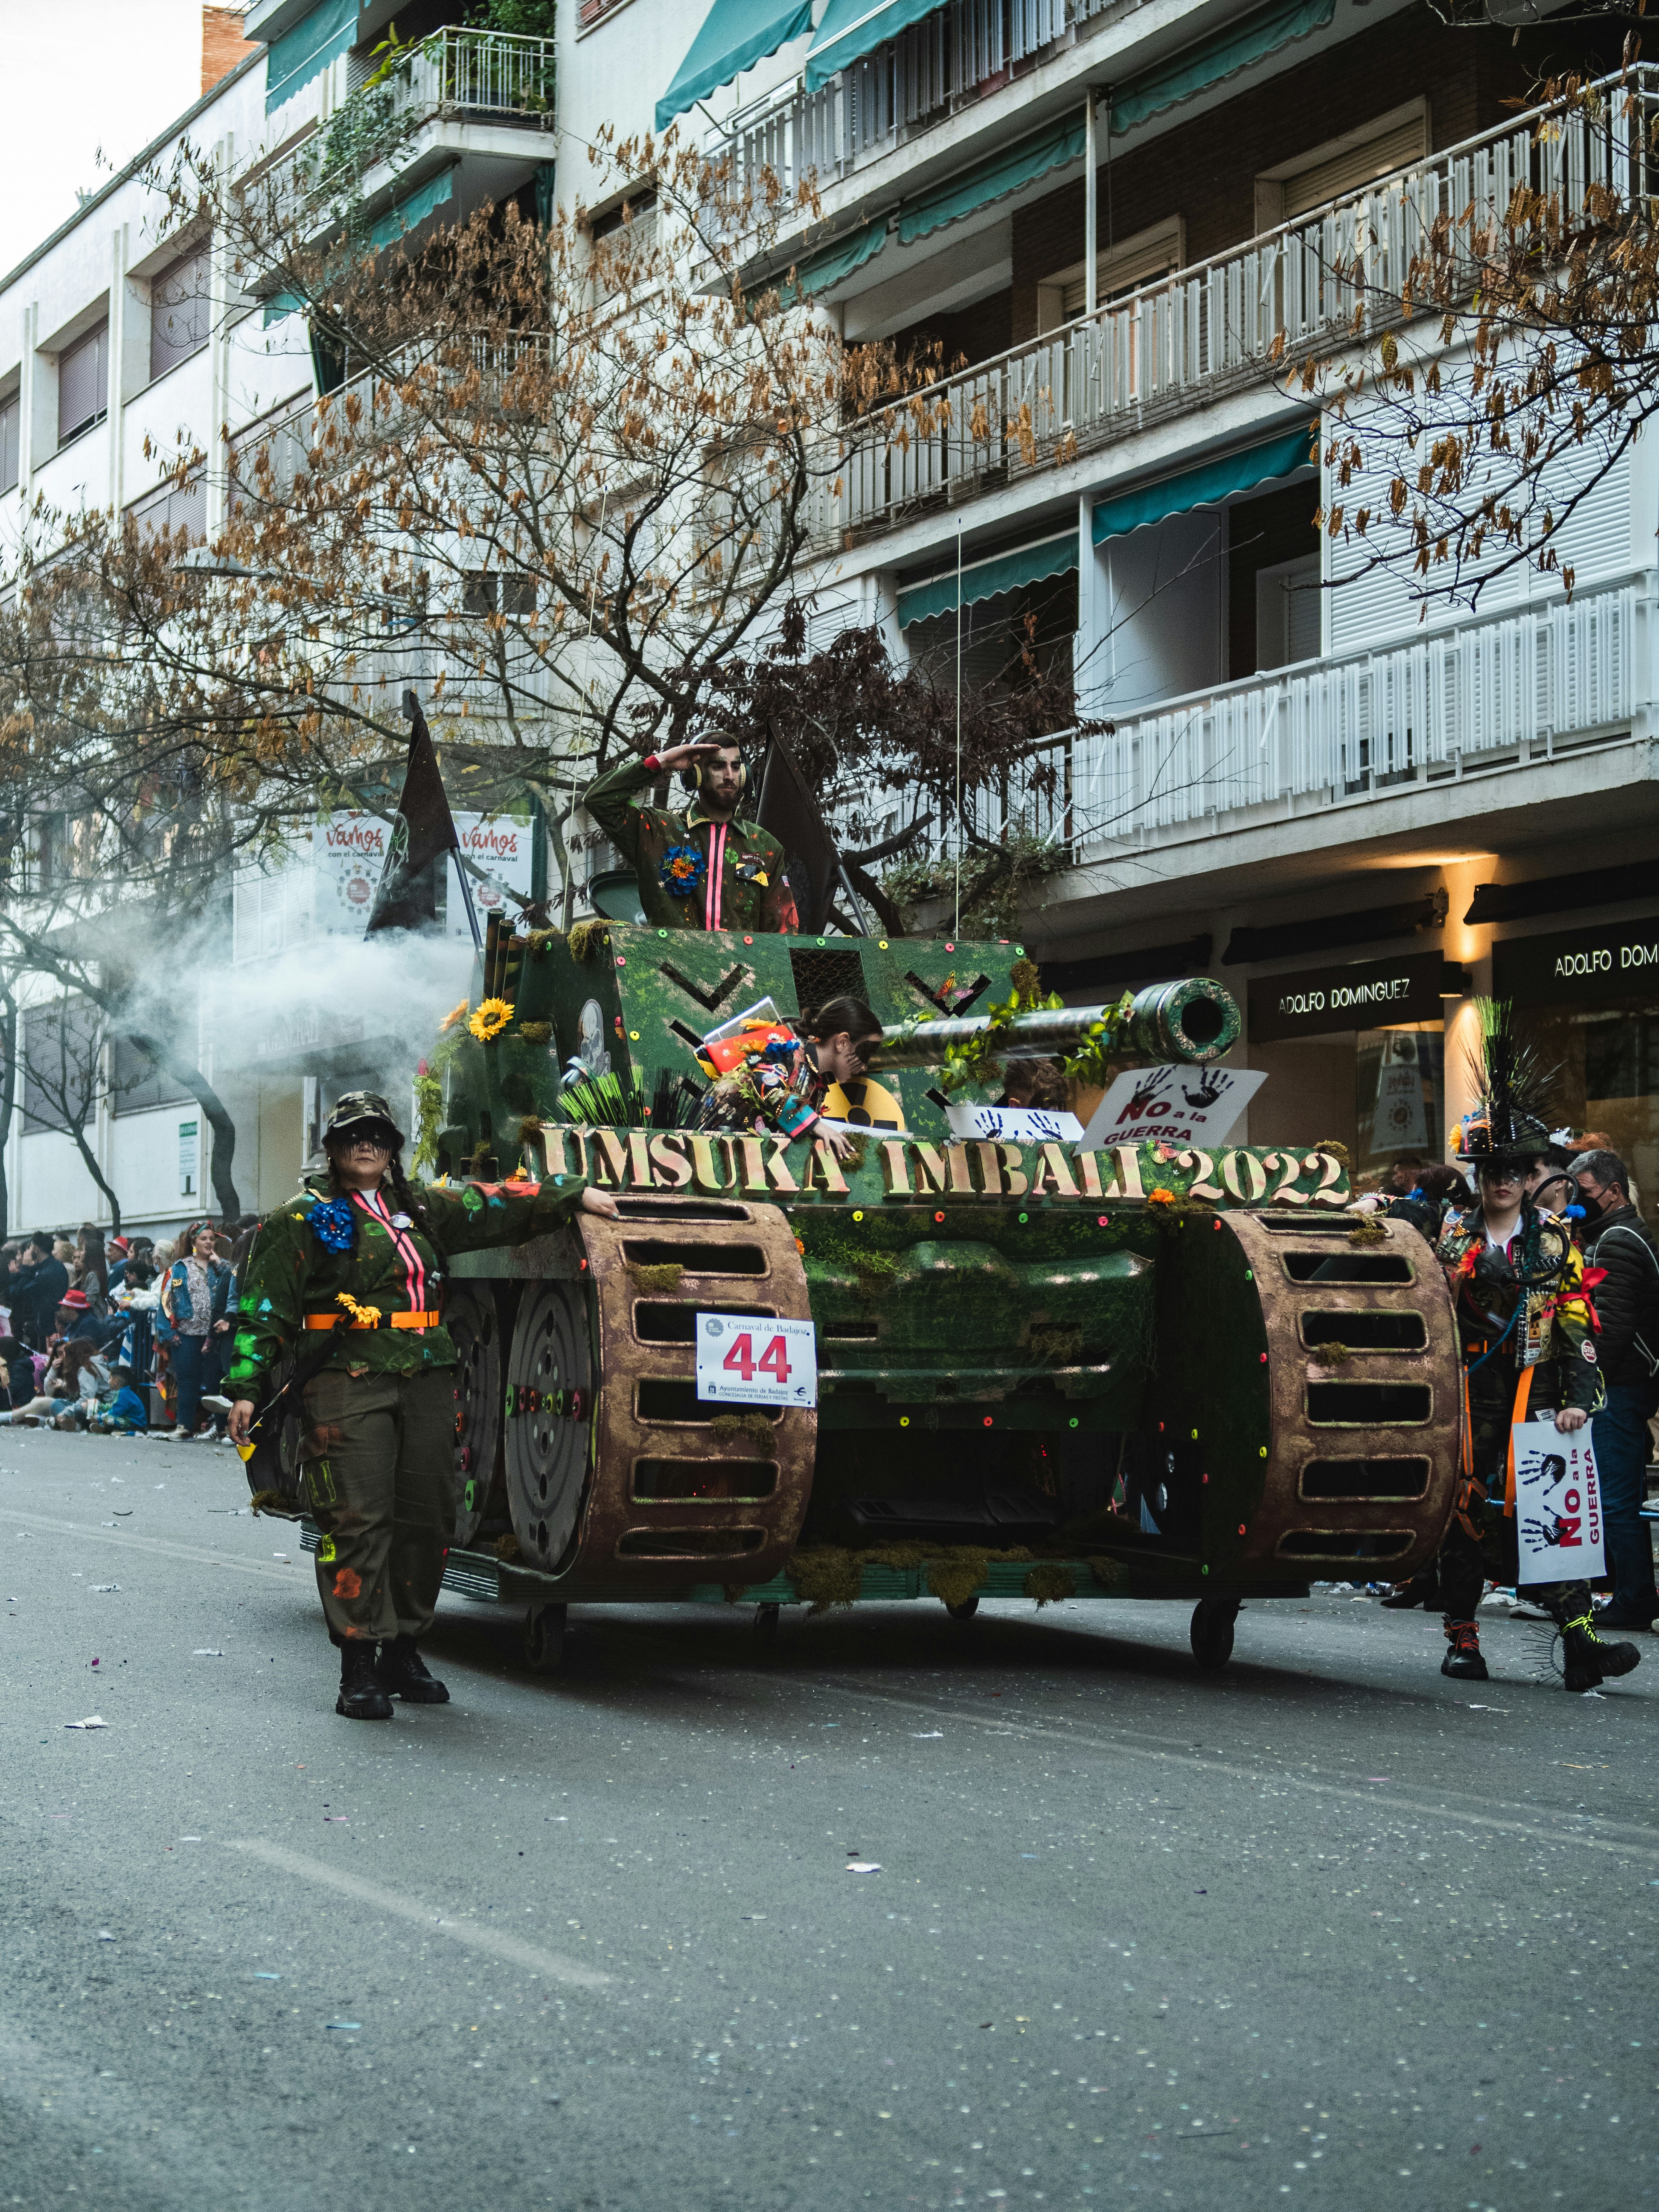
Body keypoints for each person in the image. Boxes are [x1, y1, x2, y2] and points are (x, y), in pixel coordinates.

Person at [224, 1090, 618, 1722]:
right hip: (347, 1380)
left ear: (392, 1147)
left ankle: (403, 1648)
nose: (367, 1145)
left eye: (378, 1135)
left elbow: (493, 1204)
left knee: (428, 1517)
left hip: (428, 1376)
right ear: (332, 1146)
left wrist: (571, 1196)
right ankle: (358, 1663)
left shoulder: (420, 1208)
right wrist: (246, 1385)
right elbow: (263, 1306)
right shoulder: (300, 1218)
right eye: (354, 1135)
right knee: (357, 1519)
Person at [1433, 1004, 1640, 1693]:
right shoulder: (1451, 1236)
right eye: (1490, 1168)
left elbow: (1579, 1317)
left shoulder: (1554, 1241)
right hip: (1467, 1394)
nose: (1500, 1179)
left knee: (1553, 1507)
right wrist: (1465, 1279)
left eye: (1514, 1168)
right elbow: (1432, 1309)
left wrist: (1579, 1397)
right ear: (1476, 1174)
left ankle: (1579, 1644)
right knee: (1468, 1506)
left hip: (1539, 1392)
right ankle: (1462, 1635)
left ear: (1529, 1175)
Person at [1569, 1146, 1659, 1628]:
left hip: (1620, 1388)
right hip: (1623, 1385)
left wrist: (1584, 1389)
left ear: (1615, 1191)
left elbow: (1613, 1327)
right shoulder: (1613, 1236)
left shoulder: (1619, 1240)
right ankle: (1630, 1592)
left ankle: (1635, 1598)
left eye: (1584, 1195)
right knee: (1616, 1495)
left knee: (1618, 1498)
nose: (1577, 1206)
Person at [582, 740, 799, 932]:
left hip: (743, 974)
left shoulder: (764, 846)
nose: (729, 776)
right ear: (696, 775)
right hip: (670, 972)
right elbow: (599, 800)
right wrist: (662, 762)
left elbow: (783, 931)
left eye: (736, 767)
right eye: (718, 766)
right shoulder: (658, 831)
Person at [695, 997, 881, 1151]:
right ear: (842, 1042)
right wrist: (816, 1125)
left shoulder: (815, 1078)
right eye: (866, 1051)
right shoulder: (788, 1053)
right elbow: (765, 1081)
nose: (865, 1066)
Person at [157, 1223, 233, 1440]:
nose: (209, 1242)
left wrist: (221, 1264)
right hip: (187, 1333)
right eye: (203, 1239)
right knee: (188, 1381)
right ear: (193, 1243)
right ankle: (185, 1426)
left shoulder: (221, 1268)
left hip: (215, 1334)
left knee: (217, 1381)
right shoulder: (179, 1268)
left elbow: (235, 1285)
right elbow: (165, 1301)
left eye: (212, 1239)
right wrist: (167, 1332)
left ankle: (222, 1428)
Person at [10, 1235, 69, 1349]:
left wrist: (26, 1269)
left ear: (37, 1249)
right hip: (45, 1320)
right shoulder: (47, 1266)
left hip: (49, 1323)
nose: (29, 1251)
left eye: (31, 1247)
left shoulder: (48, 1271)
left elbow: (24, 1291)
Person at [87, 1365, 147, 1434]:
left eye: (110, 1378)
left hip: (136, 1424)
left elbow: (116, 1413)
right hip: (128, 1420)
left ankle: (105, 1430)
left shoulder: (123, 1394)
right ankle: (104, 1428)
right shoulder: (124, 1392)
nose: (108, 1381)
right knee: (104, 1413)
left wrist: (99, 1419)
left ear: (115, 1381)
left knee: (110, 1419)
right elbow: (113, 1408)